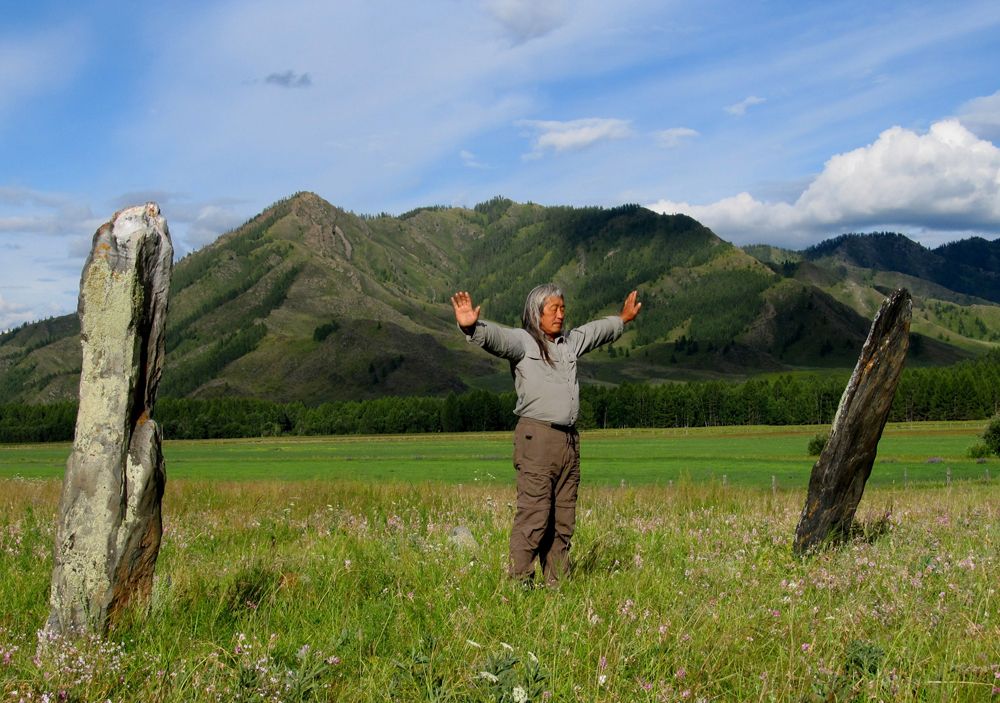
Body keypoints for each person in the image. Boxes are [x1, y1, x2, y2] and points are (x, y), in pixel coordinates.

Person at [451, 284, 642, 585]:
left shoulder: (569, 343)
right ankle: (519, 584)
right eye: (553, 308)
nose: (560, 314)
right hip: (537, 440)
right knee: (535, 516)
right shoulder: (523, 342)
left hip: (569, 442)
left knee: (563, 519)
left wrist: (622, 319)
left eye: (562, 308)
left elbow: (595, 331)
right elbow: (497, 338)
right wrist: (472, 327)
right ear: (535, 312)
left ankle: (558, 584)